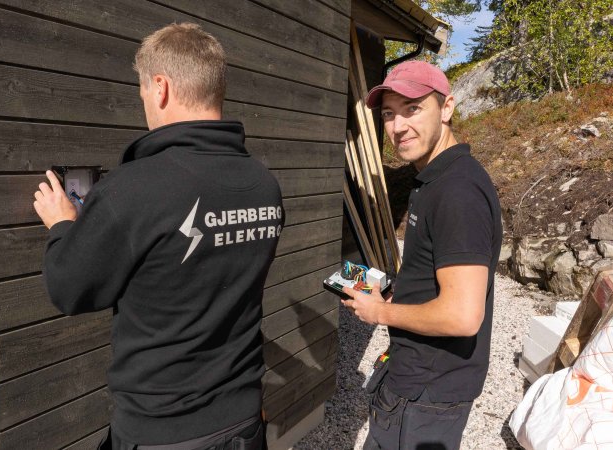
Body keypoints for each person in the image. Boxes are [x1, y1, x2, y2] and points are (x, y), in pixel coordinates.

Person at [32, 23, 283, 450]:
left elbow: (69, 290)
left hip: (163, 433)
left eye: (143, 90)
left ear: (161, 87)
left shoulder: (133, 188)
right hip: (243, 423)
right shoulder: (263, 183)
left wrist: (62, 225)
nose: (144, 101)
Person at [341, 60, 502, 450]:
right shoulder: (434, 179)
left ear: (447, 108)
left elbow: (463, 316)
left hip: (427, 391)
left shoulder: (457, 192)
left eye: (413, 109)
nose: (398, 127)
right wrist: (403, 295)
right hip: (419, 378)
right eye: (389, 115)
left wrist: (380, 313)